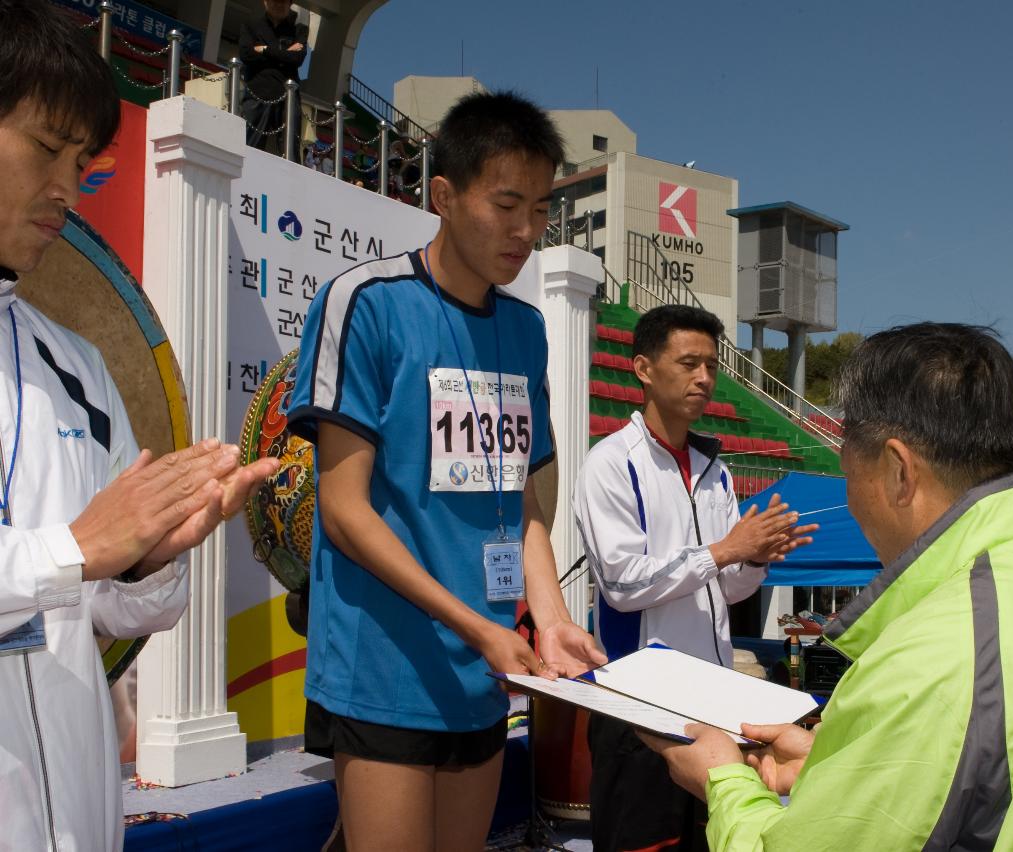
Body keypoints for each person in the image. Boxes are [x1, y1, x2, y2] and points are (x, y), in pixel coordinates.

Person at [644, 323, 1013, 850]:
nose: (851, 499)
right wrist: (844, 760)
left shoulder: (940, 648)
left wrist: (724, 781)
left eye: (849, 475)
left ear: (898, 472)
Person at [287, 90, 604, 851]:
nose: (527, 232)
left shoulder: (526, 331)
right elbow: (345, 511)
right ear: (443, 195)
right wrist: (477, 627)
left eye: (540, 209)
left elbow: (522, 498)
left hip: (487, 674)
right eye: (506, 204)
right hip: (383, 666)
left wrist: (551, 617)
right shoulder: (364, 303)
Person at [0, 4, 279, 849]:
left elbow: (120, 614)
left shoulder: (74, 363)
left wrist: (158, 549)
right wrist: (76, 548)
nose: (66, 186)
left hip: (82, 817)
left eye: (80, 161)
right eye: (48, 149)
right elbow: (73, 557)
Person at [573, 304, 817, 852]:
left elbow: (727, 591)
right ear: (642, 368)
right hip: (637, 705)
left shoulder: (715, 470)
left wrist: (755, 558)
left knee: (713, 841)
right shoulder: (611, 462)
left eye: (711, 365)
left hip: (714, 704)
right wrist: (726, 549)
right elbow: (623, 584)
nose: (704, 378)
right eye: (688, 363)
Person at [238, 0, 307, 161]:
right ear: (265, 2)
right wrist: (284, 53)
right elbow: (246, 55)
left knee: (291, 153)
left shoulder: (299, 30)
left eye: (283, 1)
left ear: (290, 3)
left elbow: (297, 59)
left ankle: (290, 186)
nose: (278, 4)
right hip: (257, 93)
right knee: (250, 147)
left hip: (288, 96)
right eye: (274, 1)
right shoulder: (251, 25)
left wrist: (264, 49)